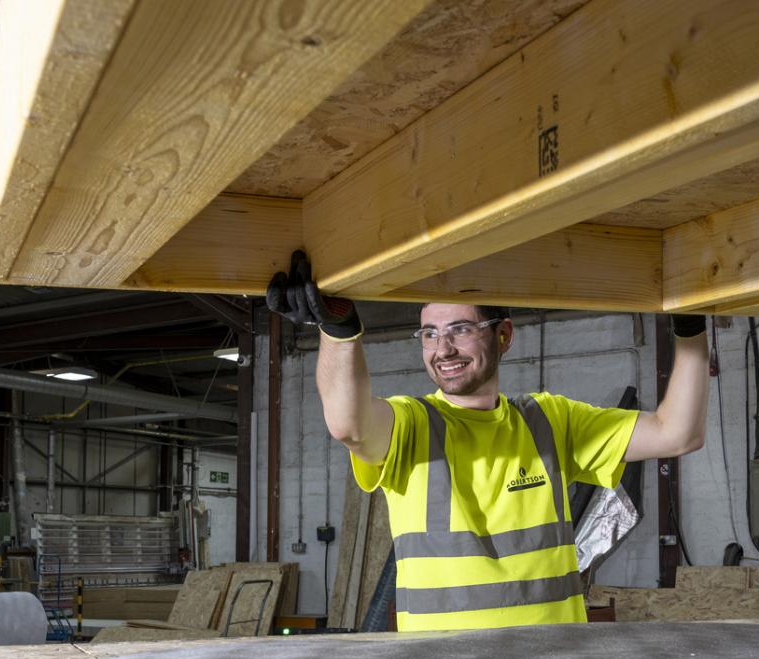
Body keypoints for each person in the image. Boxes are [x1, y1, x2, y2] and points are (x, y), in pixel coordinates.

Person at [268, 251, 709, 632]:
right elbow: (348, 425)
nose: (443, 349)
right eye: (430, 334)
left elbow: (678, 432)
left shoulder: (550, 420)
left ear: (503, 335)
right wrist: (339, 330)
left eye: (460, 329)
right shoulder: (412, 424)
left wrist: (689, 325)